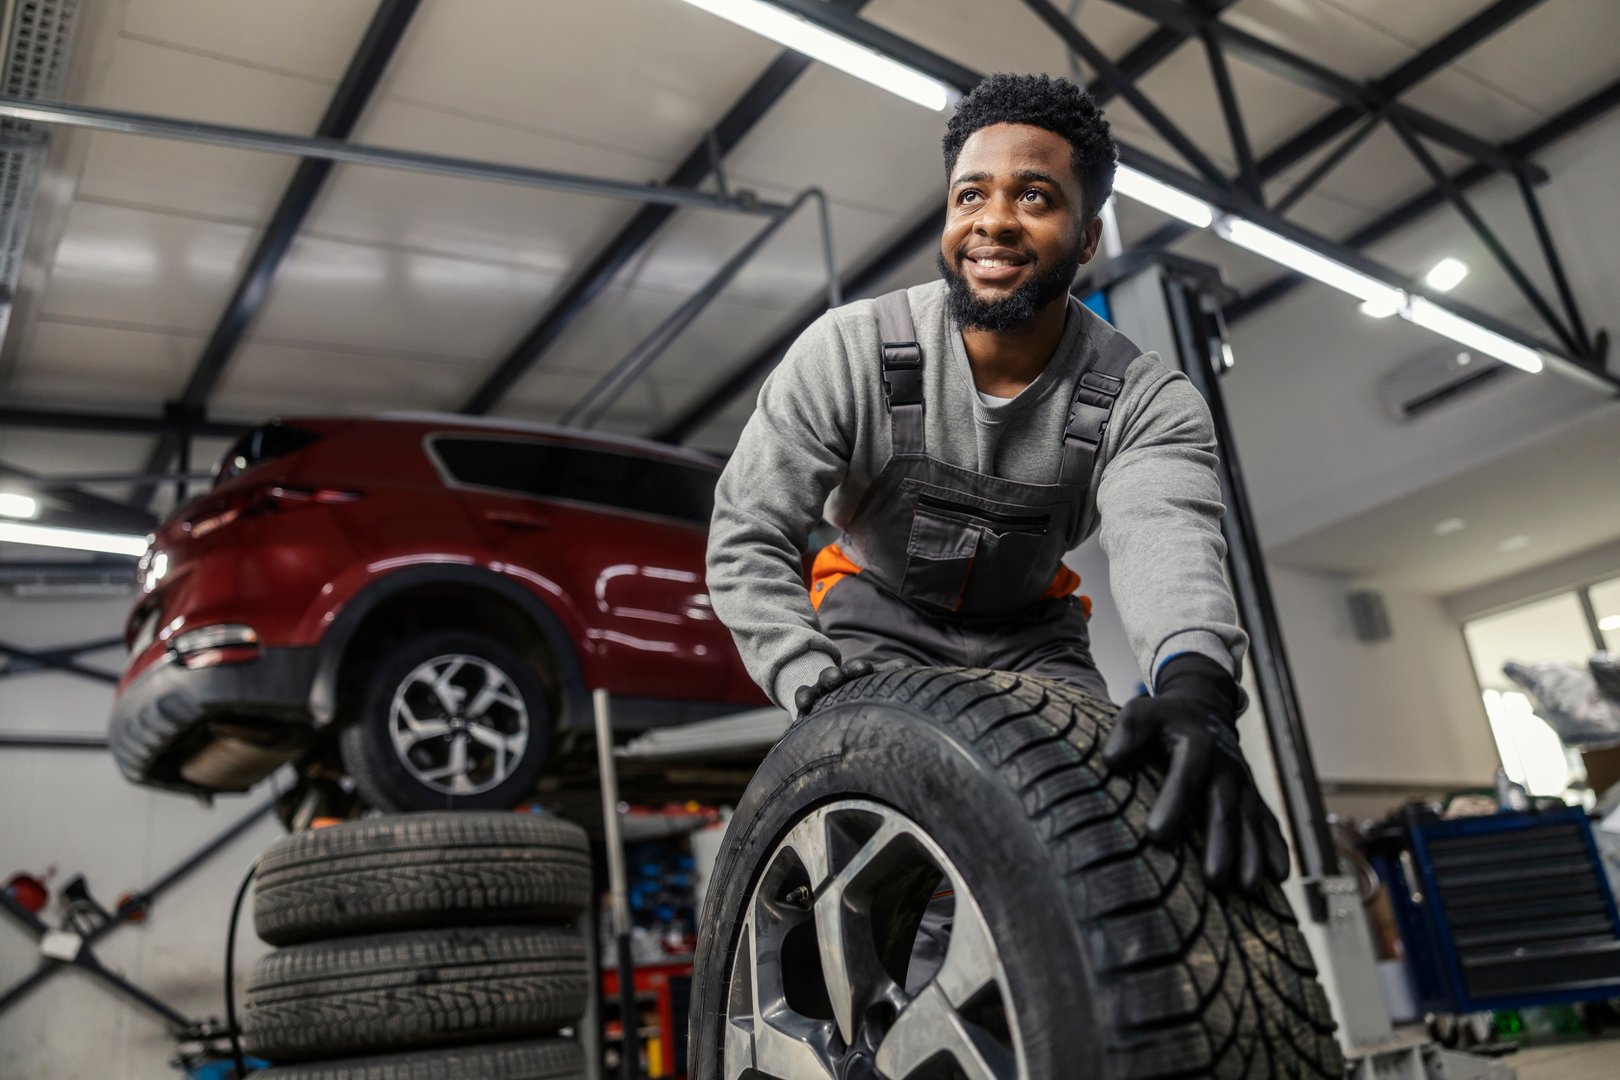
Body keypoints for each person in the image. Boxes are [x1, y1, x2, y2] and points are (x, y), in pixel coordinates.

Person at [706, 73, 1287, 893]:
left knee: (1110, 826)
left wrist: (1197, 690)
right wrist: (809, 679)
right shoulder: (851, 352)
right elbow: (748, 536)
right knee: (866, 871)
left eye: (1036, 197)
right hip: (868, 630)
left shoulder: (1144, 400)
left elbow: (1170, 542)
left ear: (1086, 239)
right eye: (970, 194)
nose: (994, 222)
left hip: (1034, 641)